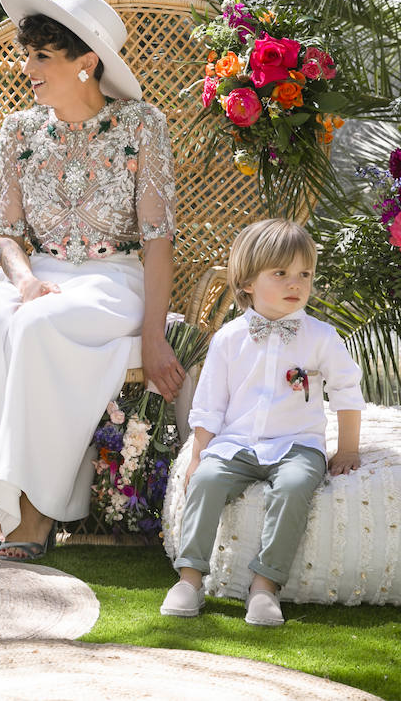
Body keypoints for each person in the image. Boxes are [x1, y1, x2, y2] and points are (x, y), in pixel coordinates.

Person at [0, 0, 185, 563]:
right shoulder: (19, 131)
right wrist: (23, 280)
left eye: (41, 57)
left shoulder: (141, 125)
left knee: (36, 328)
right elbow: (7, 232)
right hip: (41, 272)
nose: (26, 68)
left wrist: (154, 337)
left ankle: (37, 513)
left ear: (86, 63)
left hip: (115, 277)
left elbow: (159, 241)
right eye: (26, 54)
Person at [159, 218, 364, 626]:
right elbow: (210, 404)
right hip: (238, 443)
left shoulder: (321, 337)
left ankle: (265, 585)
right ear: (248, 282)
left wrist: (348, 448)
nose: (296, 284)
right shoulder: (228, 339)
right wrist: (199, 455)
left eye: (304, 274)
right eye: (281, 273)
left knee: (291, 487)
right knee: (206, 481)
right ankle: (190, 578)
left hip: (297, 445)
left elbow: (346, 390)